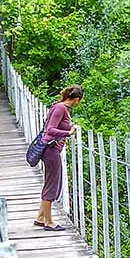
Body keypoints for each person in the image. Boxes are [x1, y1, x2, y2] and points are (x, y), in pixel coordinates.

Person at [34, 85, 83, 231]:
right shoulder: (61, 108)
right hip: (51, 149)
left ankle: (41, 217)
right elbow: (50, 129)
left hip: (52, 149)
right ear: (76, 99)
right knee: (52, 184)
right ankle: (49, 222)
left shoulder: (59, 106)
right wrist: (69, 132)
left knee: (52, 181)